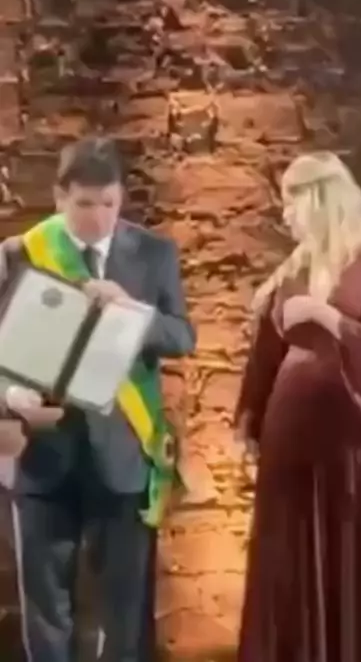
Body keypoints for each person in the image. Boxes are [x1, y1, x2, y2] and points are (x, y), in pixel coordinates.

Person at [234, 152, 361, 662]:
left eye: (291, 201)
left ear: (319, 199)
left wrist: (327, 318)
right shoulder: (293, 269)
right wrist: (248, 420)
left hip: (355, 451)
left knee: (359, 565)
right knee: (293, 571)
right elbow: (265, 355)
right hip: (292, 451)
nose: (285, 215)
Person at [0, 137, 195, 662]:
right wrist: (13, 397)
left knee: (125, 612)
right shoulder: (21, 253)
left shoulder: (153, 253)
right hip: (43, 456)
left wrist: (132, 310)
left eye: (109, 203)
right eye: (85, 203)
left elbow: (182, 336)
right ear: (60, 197)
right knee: (47, 612)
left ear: (121, 198)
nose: (98, 217)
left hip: (123, 454)